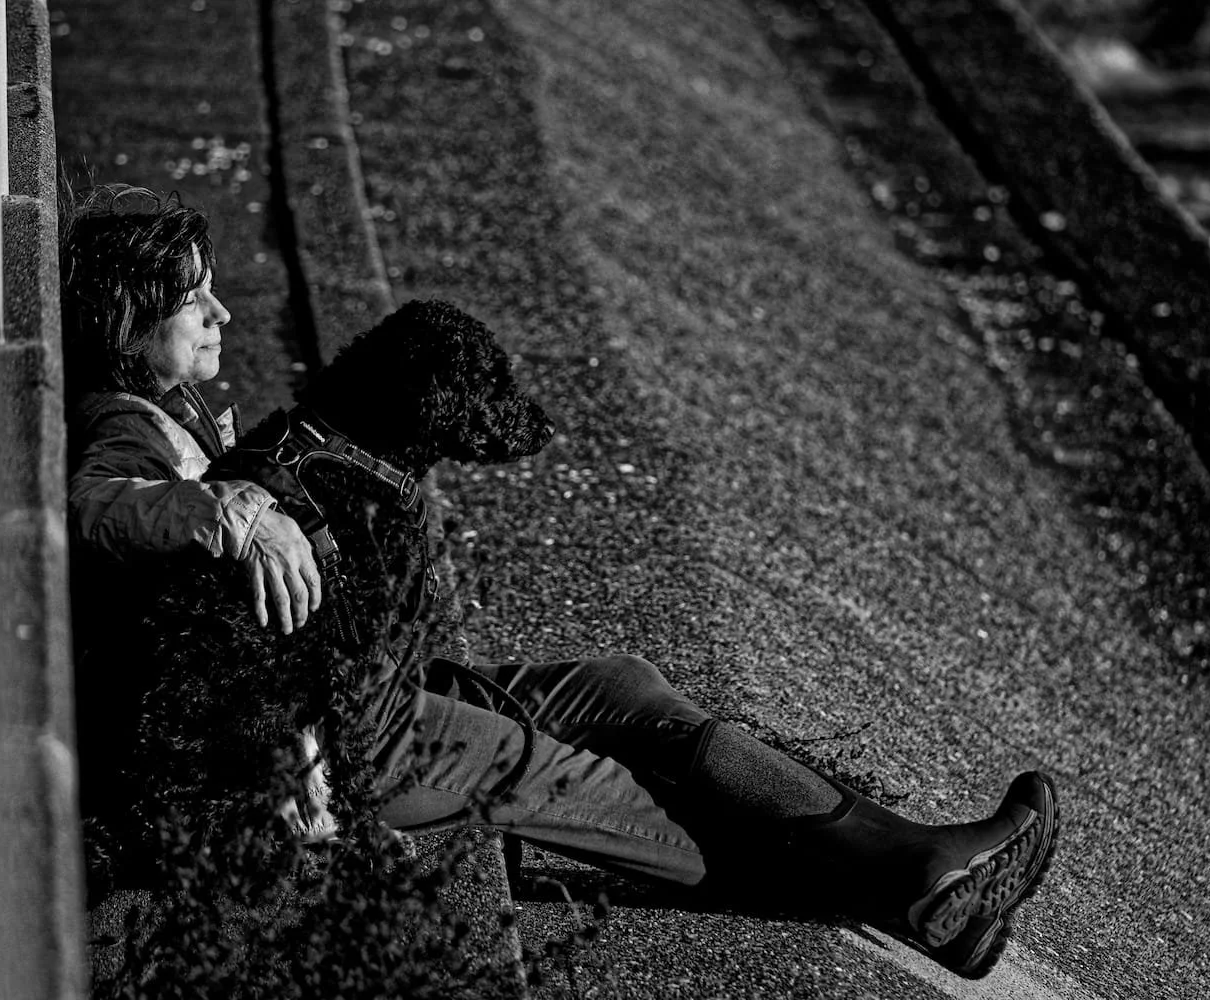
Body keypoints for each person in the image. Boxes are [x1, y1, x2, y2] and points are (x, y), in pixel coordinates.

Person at [62, 184, 1058, 980]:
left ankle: (918, 863)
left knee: (617, 688)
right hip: (332, 747)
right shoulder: (124, 424)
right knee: (598, 789)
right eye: (192, 300)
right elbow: (95, 503)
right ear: (125, 326)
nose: (220, 310)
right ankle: (910, 885)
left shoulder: (171, 403)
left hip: (357, 691)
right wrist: (223, 512)